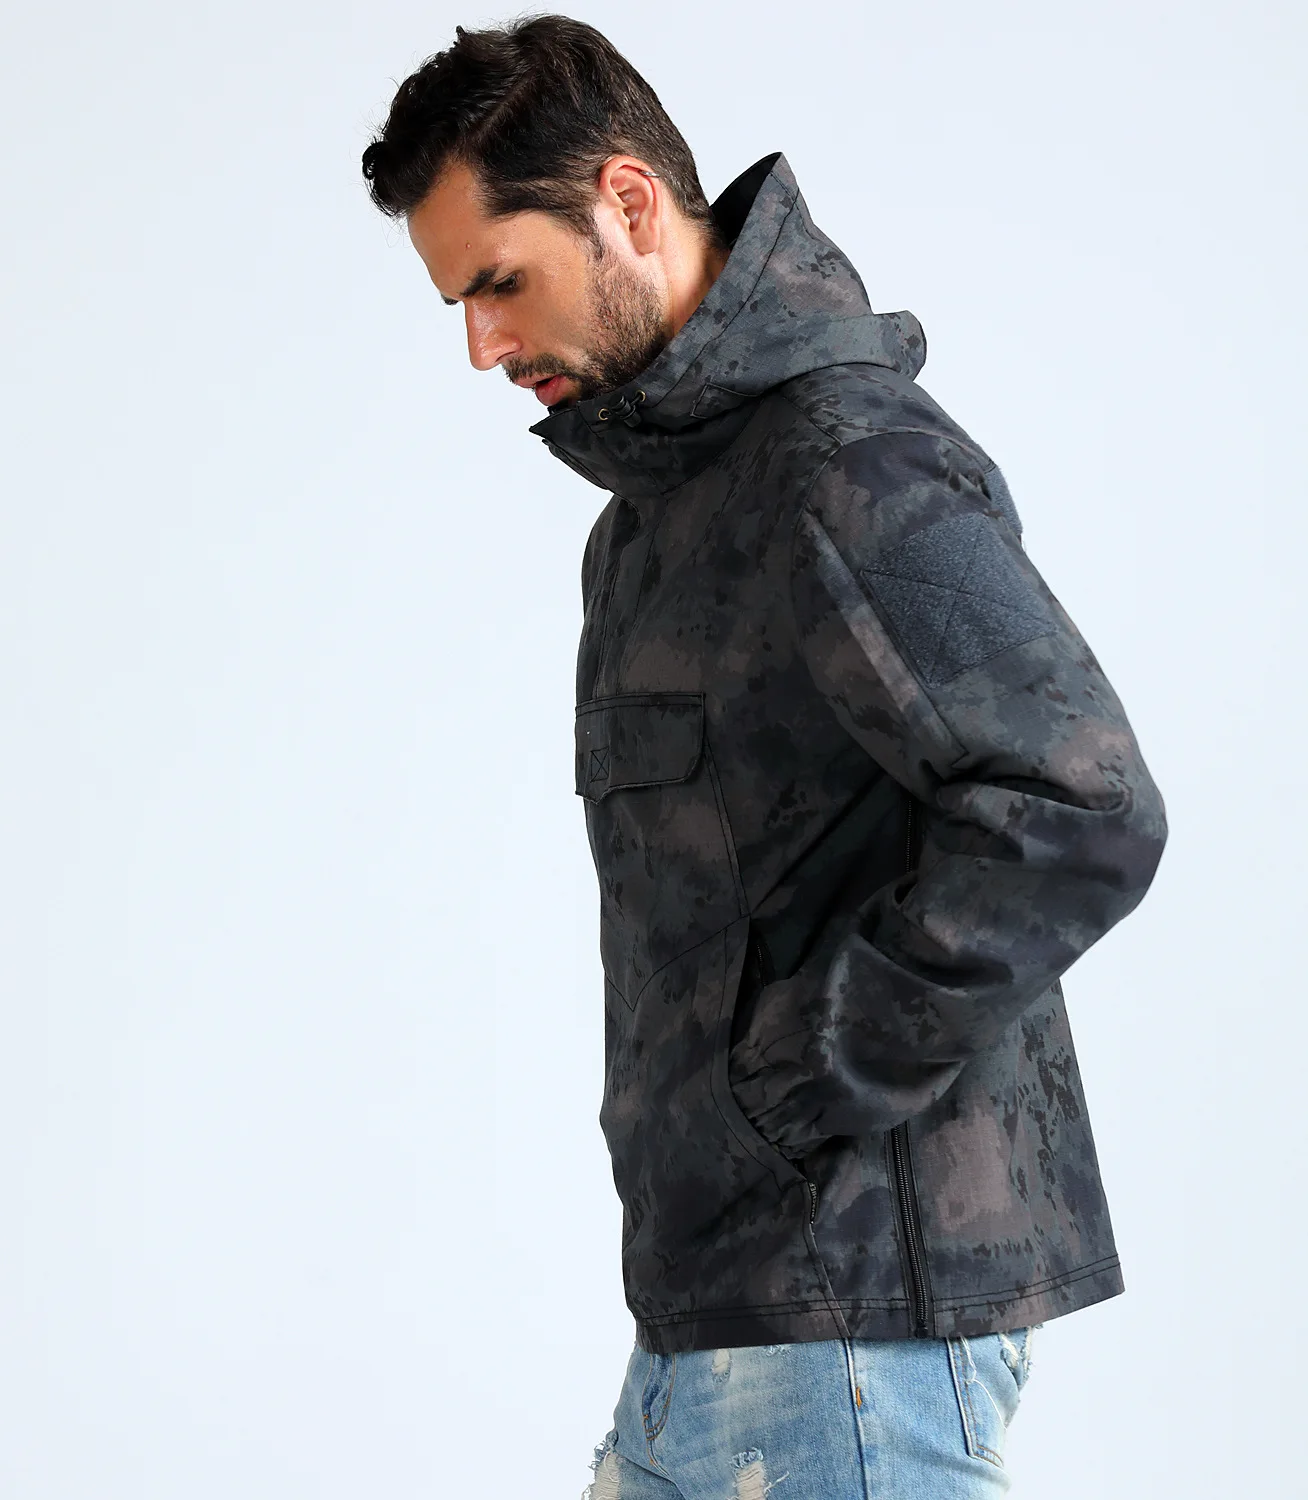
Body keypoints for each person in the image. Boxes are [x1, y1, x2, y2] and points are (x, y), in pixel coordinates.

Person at [362, 17, 1167, 1499]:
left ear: (627, 203)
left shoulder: (842, 465)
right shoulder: (652, 524)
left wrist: (783, 1090)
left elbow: (1081, 805)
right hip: (711, 1322)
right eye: (457, 301)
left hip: (852, 1341)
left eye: (499, 283)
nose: (480, 345)